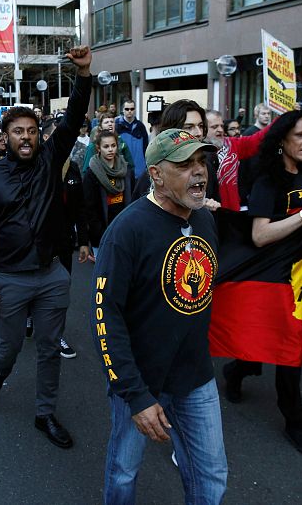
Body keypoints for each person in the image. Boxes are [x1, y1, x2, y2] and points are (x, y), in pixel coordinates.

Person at [0, 45, 92, 449]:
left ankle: (44, 414)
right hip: (9, 280)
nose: (26, 137)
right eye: (18, 131)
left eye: (32, 131)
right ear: (5, 138)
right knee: (10, 348)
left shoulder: (51, 159)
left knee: (50, 348)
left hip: (53, 275)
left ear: (39, 135)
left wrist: (84, 74)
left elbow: (73, 118)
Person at [93, 128, 226, 504]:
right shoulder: (126, 231)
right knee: (123, 473)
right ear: (156, 174)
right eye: (185, 165)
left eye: (202, 162)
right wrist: (135, 395)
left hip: (196, 378)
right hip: (142, 380)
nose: (199, 172)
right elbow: (105, 319)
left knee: (211, 475)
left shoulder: (204, 220)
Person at [222, 110, 302, 460]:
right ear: (281, 140)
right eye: (301, 135)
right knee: (290, 346)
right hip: (273, 276)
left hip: (301, 271)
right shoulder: (267, 180)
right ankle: (296, 421)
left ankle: (237, 368)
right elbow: (259, 235)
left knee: (271, 342)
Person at [82, 130, 134, 259]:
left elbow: (134, 200)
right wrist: (100, 234)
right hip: (101, 234)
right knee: (104, 275)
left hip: (124, 231)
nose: (110, 149)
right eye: (106, 146)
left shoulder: (126, 170)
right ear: (98, 148)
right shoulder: (92, 173)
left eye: (113, 145)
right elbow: (89, 209)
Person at [207, 110, 269, 211]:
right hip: (209, 213)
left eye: (221, 126)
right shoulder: (197, 153)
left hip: (232, 213)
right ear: (203, 128)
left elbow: (257, 140)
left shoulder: (232, 144)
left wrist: (283, 119)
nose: (220, 130)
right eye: (214, 127)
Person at [114, 98, 148, 179]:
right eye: (127, 109)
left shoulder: (140, 126)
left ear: (135, 110)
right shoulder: (116, 125)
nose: (129, 111)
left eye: (132, 109)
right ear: (123, 110)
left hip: (139, 169)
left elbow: (146, 147)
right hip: (122, 168)